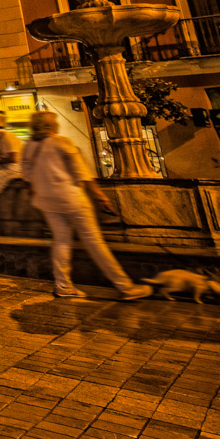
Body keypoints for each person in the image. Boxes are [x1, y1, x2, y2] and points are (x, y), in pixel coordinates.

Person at [19, 111, 152, 300]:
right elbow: (82, 173)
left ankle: (63, 285)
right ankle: (126, 287)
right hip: (71, 198)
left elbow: (26, 177)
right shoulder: (61, 142)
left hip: (47, 201)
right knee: (94, 241)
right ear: (51, 125)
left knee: (61, 241)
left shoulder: (29, 147)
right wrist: (100, 197)